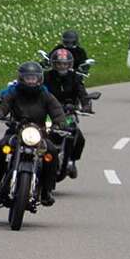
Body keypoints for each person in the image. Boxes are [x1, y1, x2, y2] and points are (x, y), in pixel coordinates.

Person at [0, 61, 70, 207]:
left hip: (39, 133)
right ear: (22, 78)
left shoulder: (45, 95)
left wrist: (60, 123)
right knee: (1, 147)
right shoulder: (14, 93)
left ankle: (47, 191)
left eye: (34, 78)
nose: (31, 81)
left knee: (51, 153)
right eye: (28, 78)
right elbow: (4, 105)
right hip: (16, 131)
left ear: (39, 79)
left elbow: (57, 111)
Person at [43, 47, 92, 175]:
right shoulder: (46, 76)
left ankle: (71, 161)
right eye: (59, 63)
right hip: (48, 112)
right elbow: (38, 91)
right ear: (53, 64)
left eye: (65, 64)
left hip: (68, 112)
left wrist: (86, 105)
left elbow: (82, 93)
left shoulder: (75, 78)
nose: (62, 66)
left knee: (78, 136)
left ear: (70, 64)